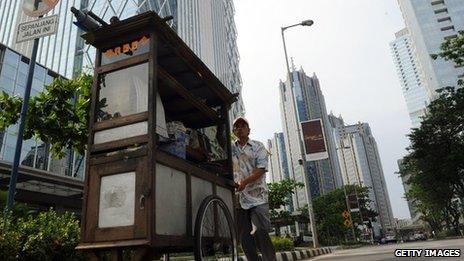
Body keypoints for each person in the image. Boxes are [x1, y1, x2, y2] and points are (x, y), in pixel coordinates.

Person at [232, 117, 276, 261]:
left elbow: (261, 170)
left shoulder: (258, 146)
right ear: (233, 131)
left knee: (260, 231)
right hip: (239, 198)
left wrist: (244, 182)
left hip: (258, 196)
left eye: (243, 126)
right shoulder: (230, 148)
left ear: (248, 130)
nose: (240, 128)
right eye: (236, 126)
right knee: (244, 238)